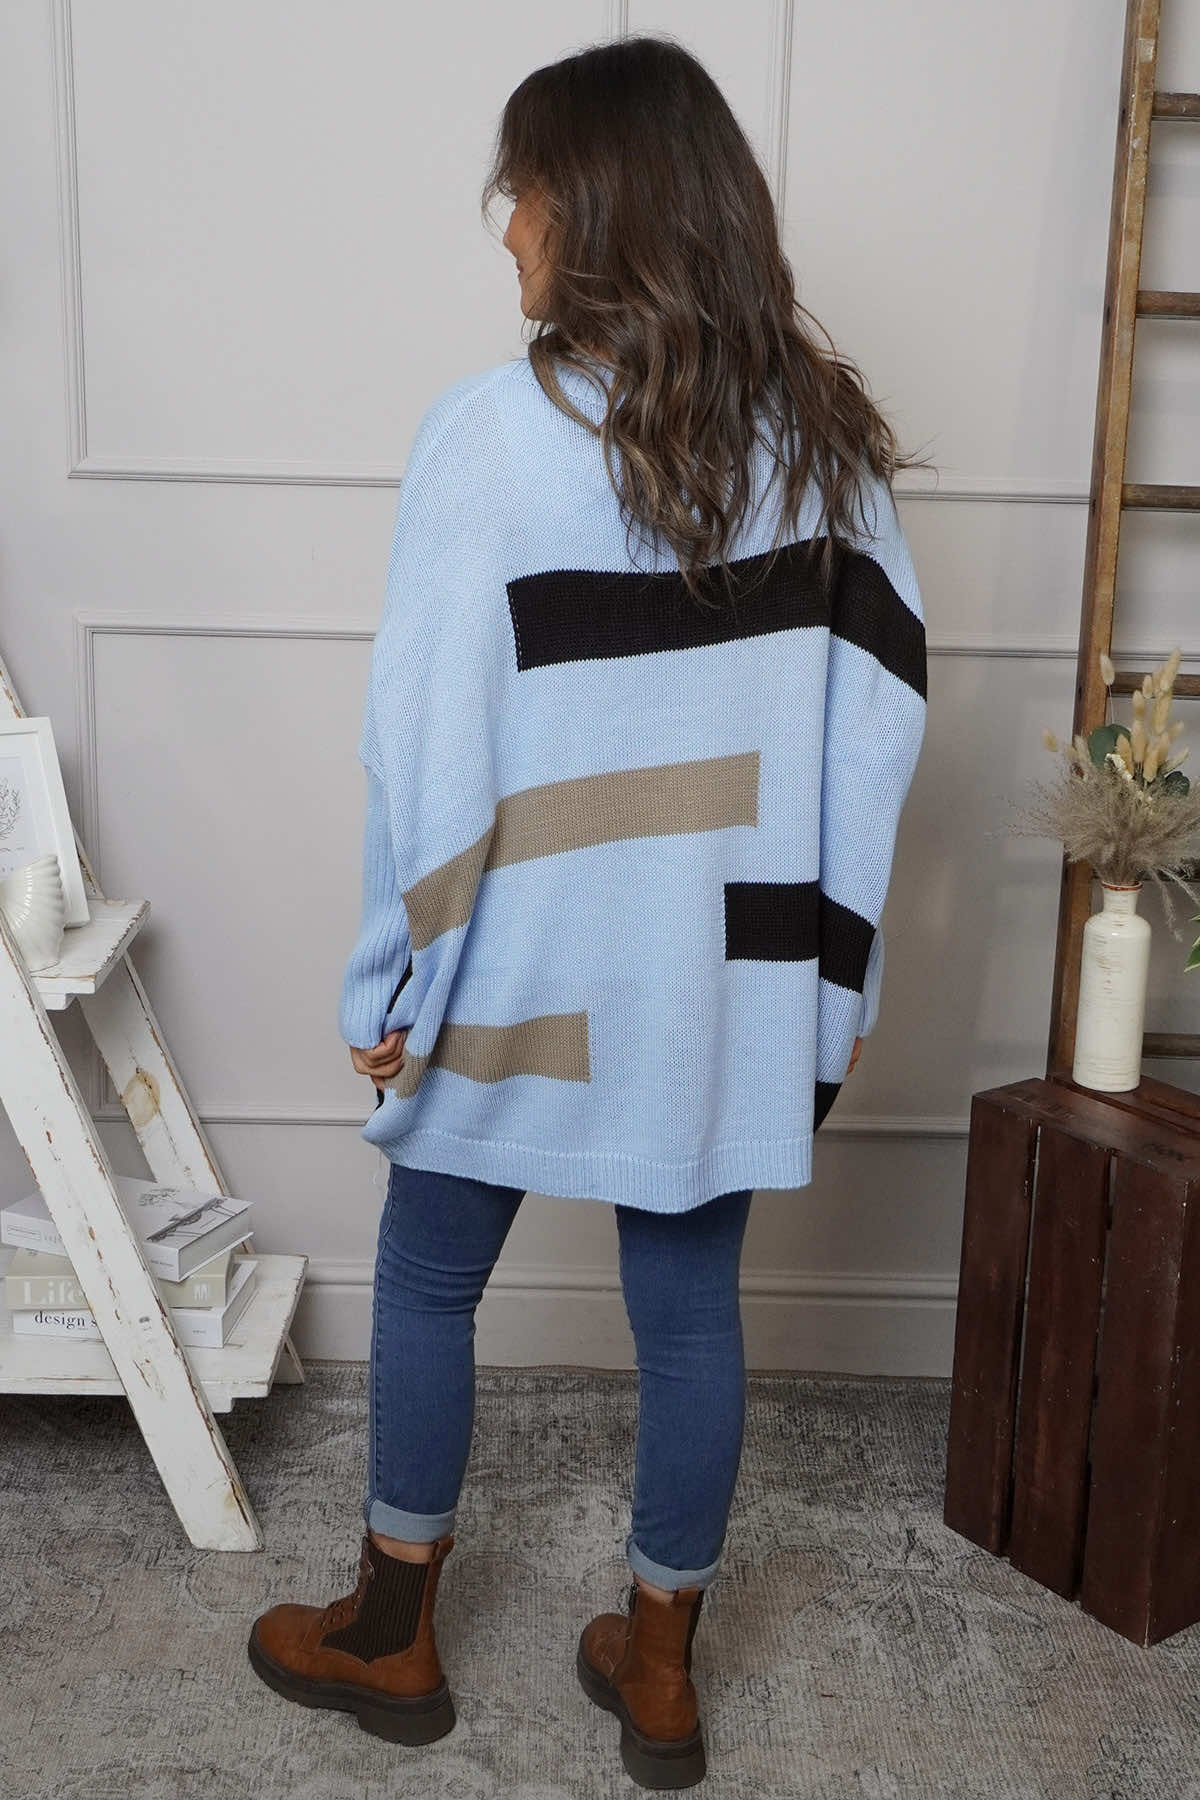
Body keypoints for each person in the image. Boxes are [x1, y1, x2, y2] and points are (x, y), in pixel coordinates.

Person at [247, 31, 927, 1790]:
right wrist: (833, 982)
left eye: (526, 191)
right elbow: (877, 733)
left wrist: (391, 972)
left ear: (599, 207)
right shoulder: (828, 451)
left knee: (425, 1270)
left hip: (527, 955)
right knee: (690, 1311)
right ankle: (663, 1672)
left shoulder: (488, 438)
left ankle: (392, 1633)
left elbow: (423, 744)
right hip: (720, 970)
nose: (509, 230)